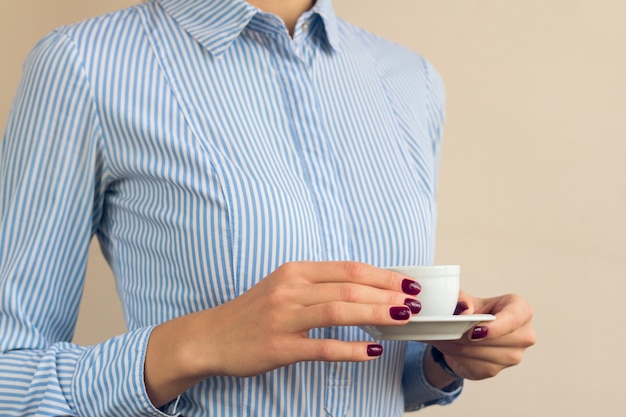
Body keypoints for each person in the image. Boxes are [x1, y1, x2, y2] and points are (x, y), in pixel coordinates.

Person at [0, 0, 535, 415]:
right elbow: (9, 376)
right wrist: (191, 346)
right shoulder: (83, 65)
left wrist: (447, 356)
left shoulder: (411, 81)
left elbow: (366, 373)